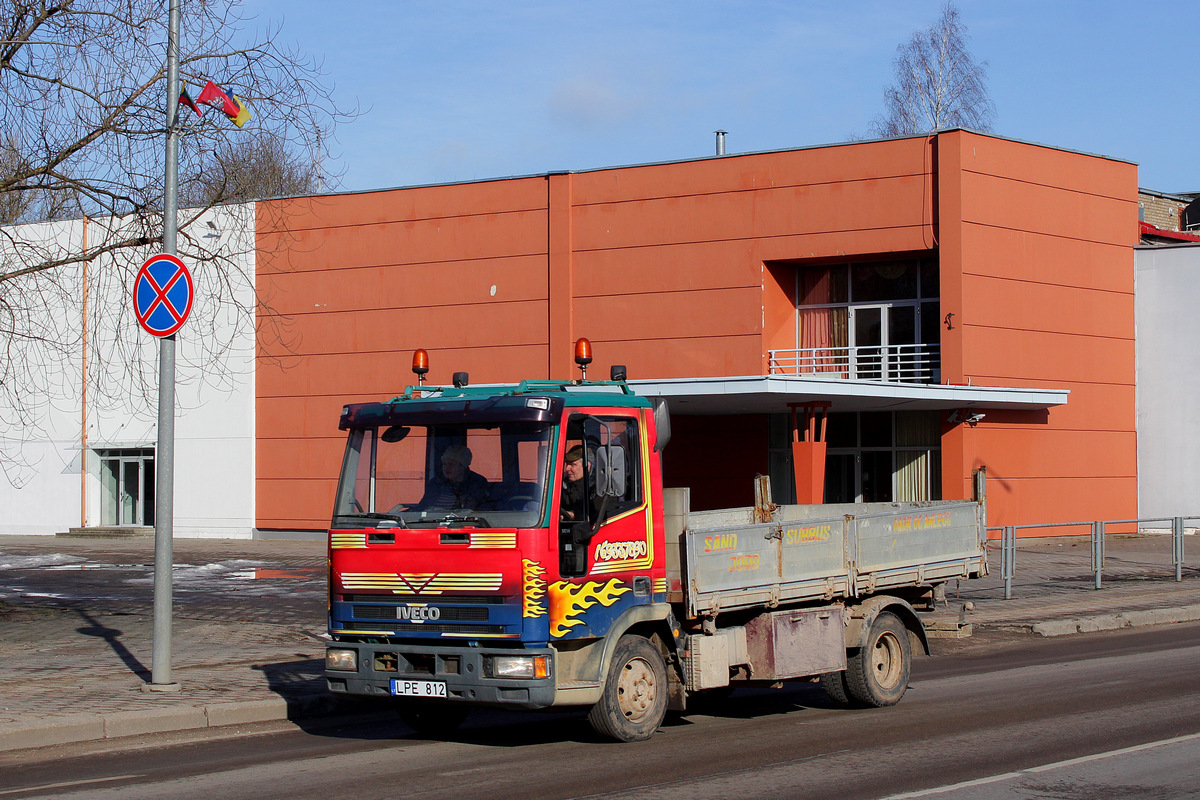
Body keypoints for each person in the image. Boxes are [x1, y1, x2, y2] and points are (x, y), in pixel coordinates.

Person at [418, 443, 489, 510]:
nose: (446, 468)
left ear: (462, 466)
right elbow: (422, 507)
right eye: (444, 464)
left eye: (451, 464)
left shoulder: (477, 483)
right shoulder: (436, 483)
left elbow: (479, 511)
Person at [560, 445, 588, 521]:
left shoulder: (597, 489)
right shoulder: (564, 486)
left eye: (573, 465)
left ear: (587, 466)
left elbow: (594, 516)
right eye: (567, 464)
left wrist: (573, 515)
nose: (567, 468)